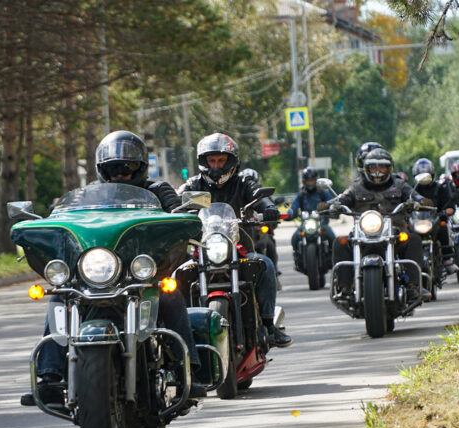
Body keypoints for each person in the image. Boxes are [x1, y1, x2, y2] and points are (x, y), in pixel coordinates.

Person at [22, 130, 207, 406]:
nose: (120, 175)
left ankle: (188, 372)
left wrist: (186, 215)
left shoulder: (158, 191)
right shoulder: (86, 199)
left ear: (141, 167)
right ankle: (49, 378)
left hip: (143, 274)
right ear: (101, 171)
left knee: (170, 295)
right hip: (98, 275)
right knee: (61, 295)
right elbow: (61, 221)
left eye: (128, 168)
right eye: (112, 169)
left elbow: (182, 216)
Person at [178, 132, 292, 348]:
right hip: (201, 250)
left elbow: (259, 195)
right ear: (204, 162)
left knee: (265, 265)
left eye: (221, 160)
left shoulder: (242, 183)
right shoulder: (195, 185)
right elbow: (175, 200)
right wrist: (171, 211)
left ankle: (268, 325)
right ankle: (181, 330)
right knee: (177, 276)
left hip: (238, 249)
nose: (216, 166)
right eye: (211, 160)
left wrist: (268, 208)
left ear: (231, 162)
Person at [331, 147, 432, 301]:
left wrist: (420, 201)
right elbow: (343, 198)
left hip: (395, 233)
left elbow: (414, 195)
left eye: (382, 166)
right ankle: (344, 288)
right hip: (363, 234)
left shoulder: (399, 184)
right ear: (366, 169)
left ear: (389, 168)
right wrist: (331, 205)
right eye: (373, 167)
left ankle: (413, 286)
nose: (377, 171)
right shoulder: (357, 187)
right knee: (341, 241)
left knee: (413, 239)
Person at [411, 158, 458, 274]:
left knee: (443, 228)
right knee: (407, 235)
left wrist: (448, 210)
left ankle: (447, 260)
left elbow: (449, 203)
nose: (424, 178)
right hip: (417, 220)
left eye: (426, 175)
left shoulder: (439, 188)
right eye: (421, 175)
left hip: (435, 219)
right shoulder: (412, 190)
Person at [286, 167, 335, 271]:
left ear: (316, 180)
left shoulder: (323, 193)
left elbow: (331, 203)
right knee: (294, 239)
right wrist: (289, 213)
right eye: (308, 180)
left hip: (321, 223)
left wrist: (330, 208)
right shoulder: (301, 195)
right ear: (304, 181)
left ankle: (333, 258)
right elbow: (294, 206)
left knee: (332, 238)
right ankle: (298, 259)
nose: (310, 183)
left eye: (312, 180)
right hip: (305, 224)